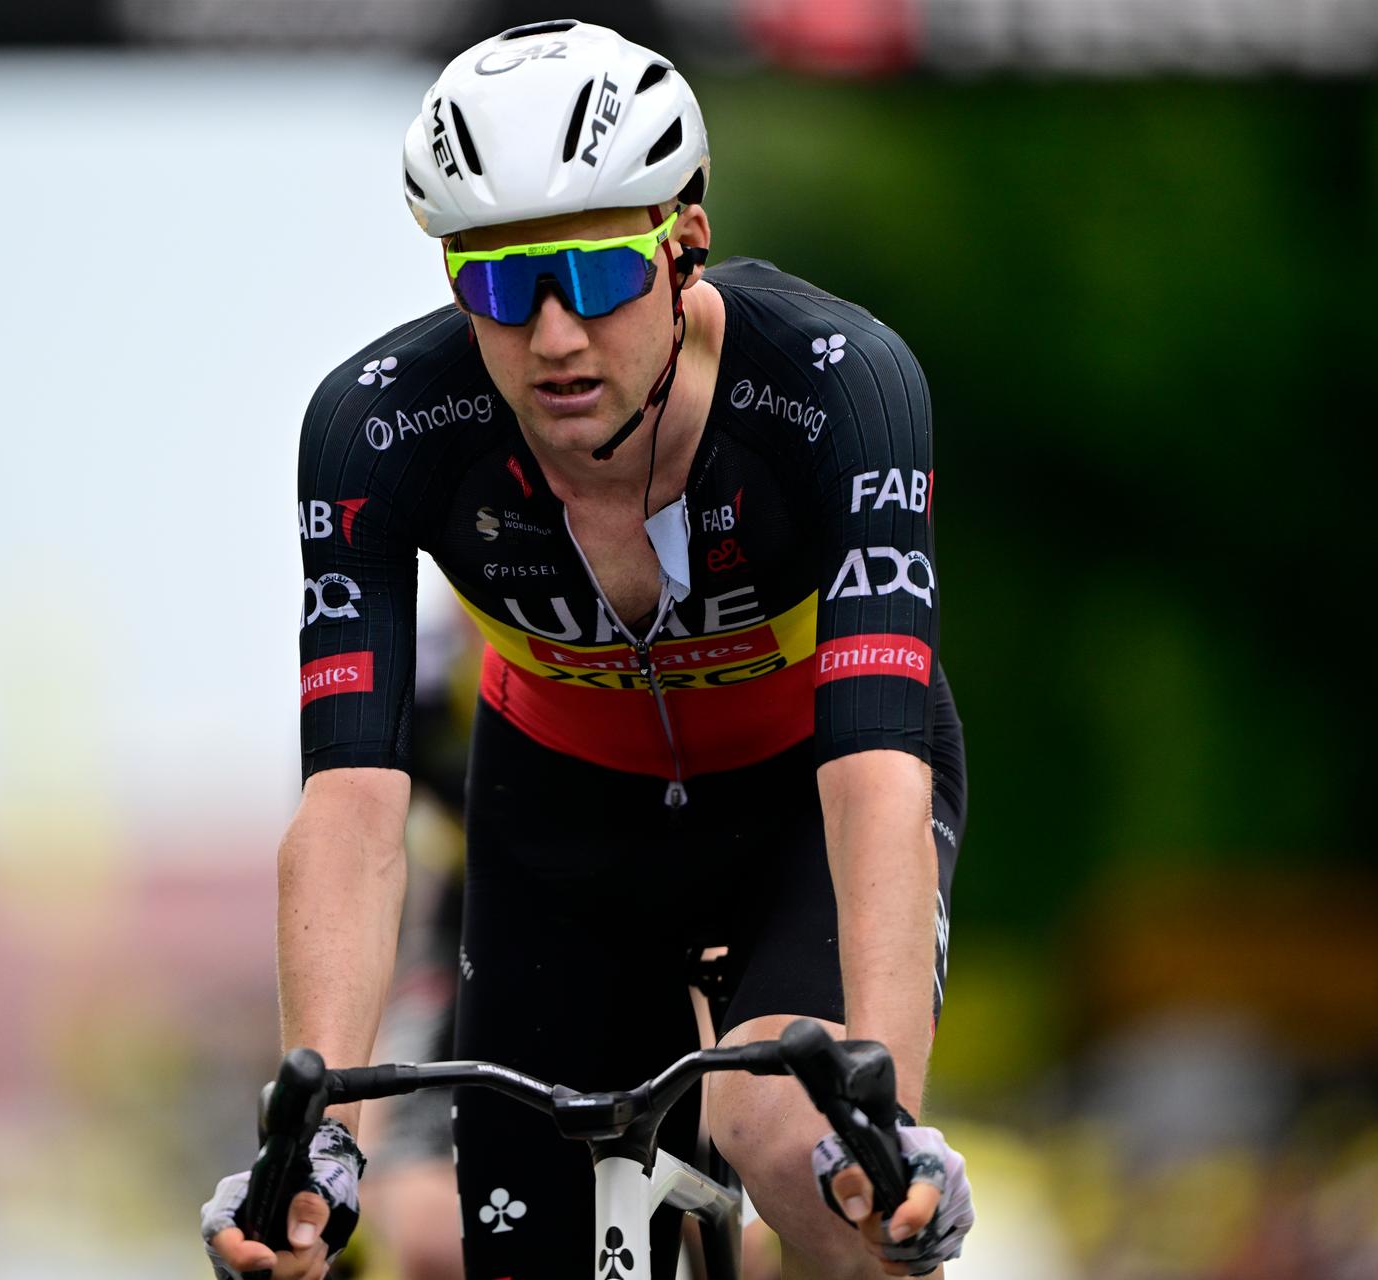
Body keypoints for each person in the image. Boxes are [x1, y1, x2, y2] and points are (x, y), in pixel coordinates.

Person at [204, 19, 975, 1279]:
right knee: (514, 1241)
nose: (554, 337)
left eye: (598, 277)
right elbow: (347, 809)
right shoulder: (379, 428)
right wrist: (326, 1144)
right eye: (501, 288)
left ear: (685, 247)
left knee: (799, 1141)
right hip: (560, 823)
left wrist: (885, 1113)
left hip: (799, 803)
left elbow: (874, 775)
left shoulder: (841, 385)